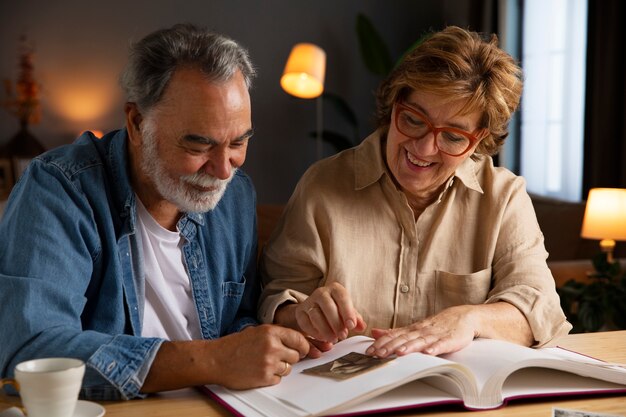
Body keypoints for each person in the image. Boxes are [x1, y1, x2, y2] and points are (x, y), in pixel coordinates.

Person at [0, 23, 309, 400]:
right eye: (199, 146)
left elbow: (237, 321)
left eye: (239, 143)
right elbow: (30, 348)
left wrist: (286, 330)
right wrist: (211, 361)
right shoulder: (60, 188)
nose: (224, 169)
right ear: (136, 123)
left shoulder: (235, 194)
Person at [259, 26, 572, 359]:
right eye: (413, 119)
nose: (423, 148)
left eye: (452, 137)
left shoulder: (504, 198)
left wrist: (469, 319)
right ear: (395, 104)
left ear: (478, 141)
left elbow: (538, 309)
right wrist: (301, 313)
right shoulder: (322, 185)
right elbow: (274, 297)